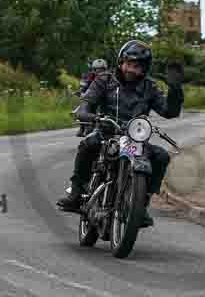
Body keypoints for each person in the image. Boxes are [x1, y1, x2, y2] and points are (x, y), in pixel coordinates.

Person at [57, 40, 184, 228]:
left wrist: (175, 90)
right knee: (88, 144)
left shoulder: (150, 87)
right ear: (121, 62)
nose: (131, 69)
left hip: (135, 139)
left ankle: (141, 204)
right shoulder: (104, 80)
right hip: (106, 133)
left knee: (161, 156)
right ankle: (76, 193)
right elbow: (87, 103)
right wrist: (88, 114)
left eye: (137, 66)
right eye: (129, 64)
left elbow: (169, 111)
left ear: (145, 69)